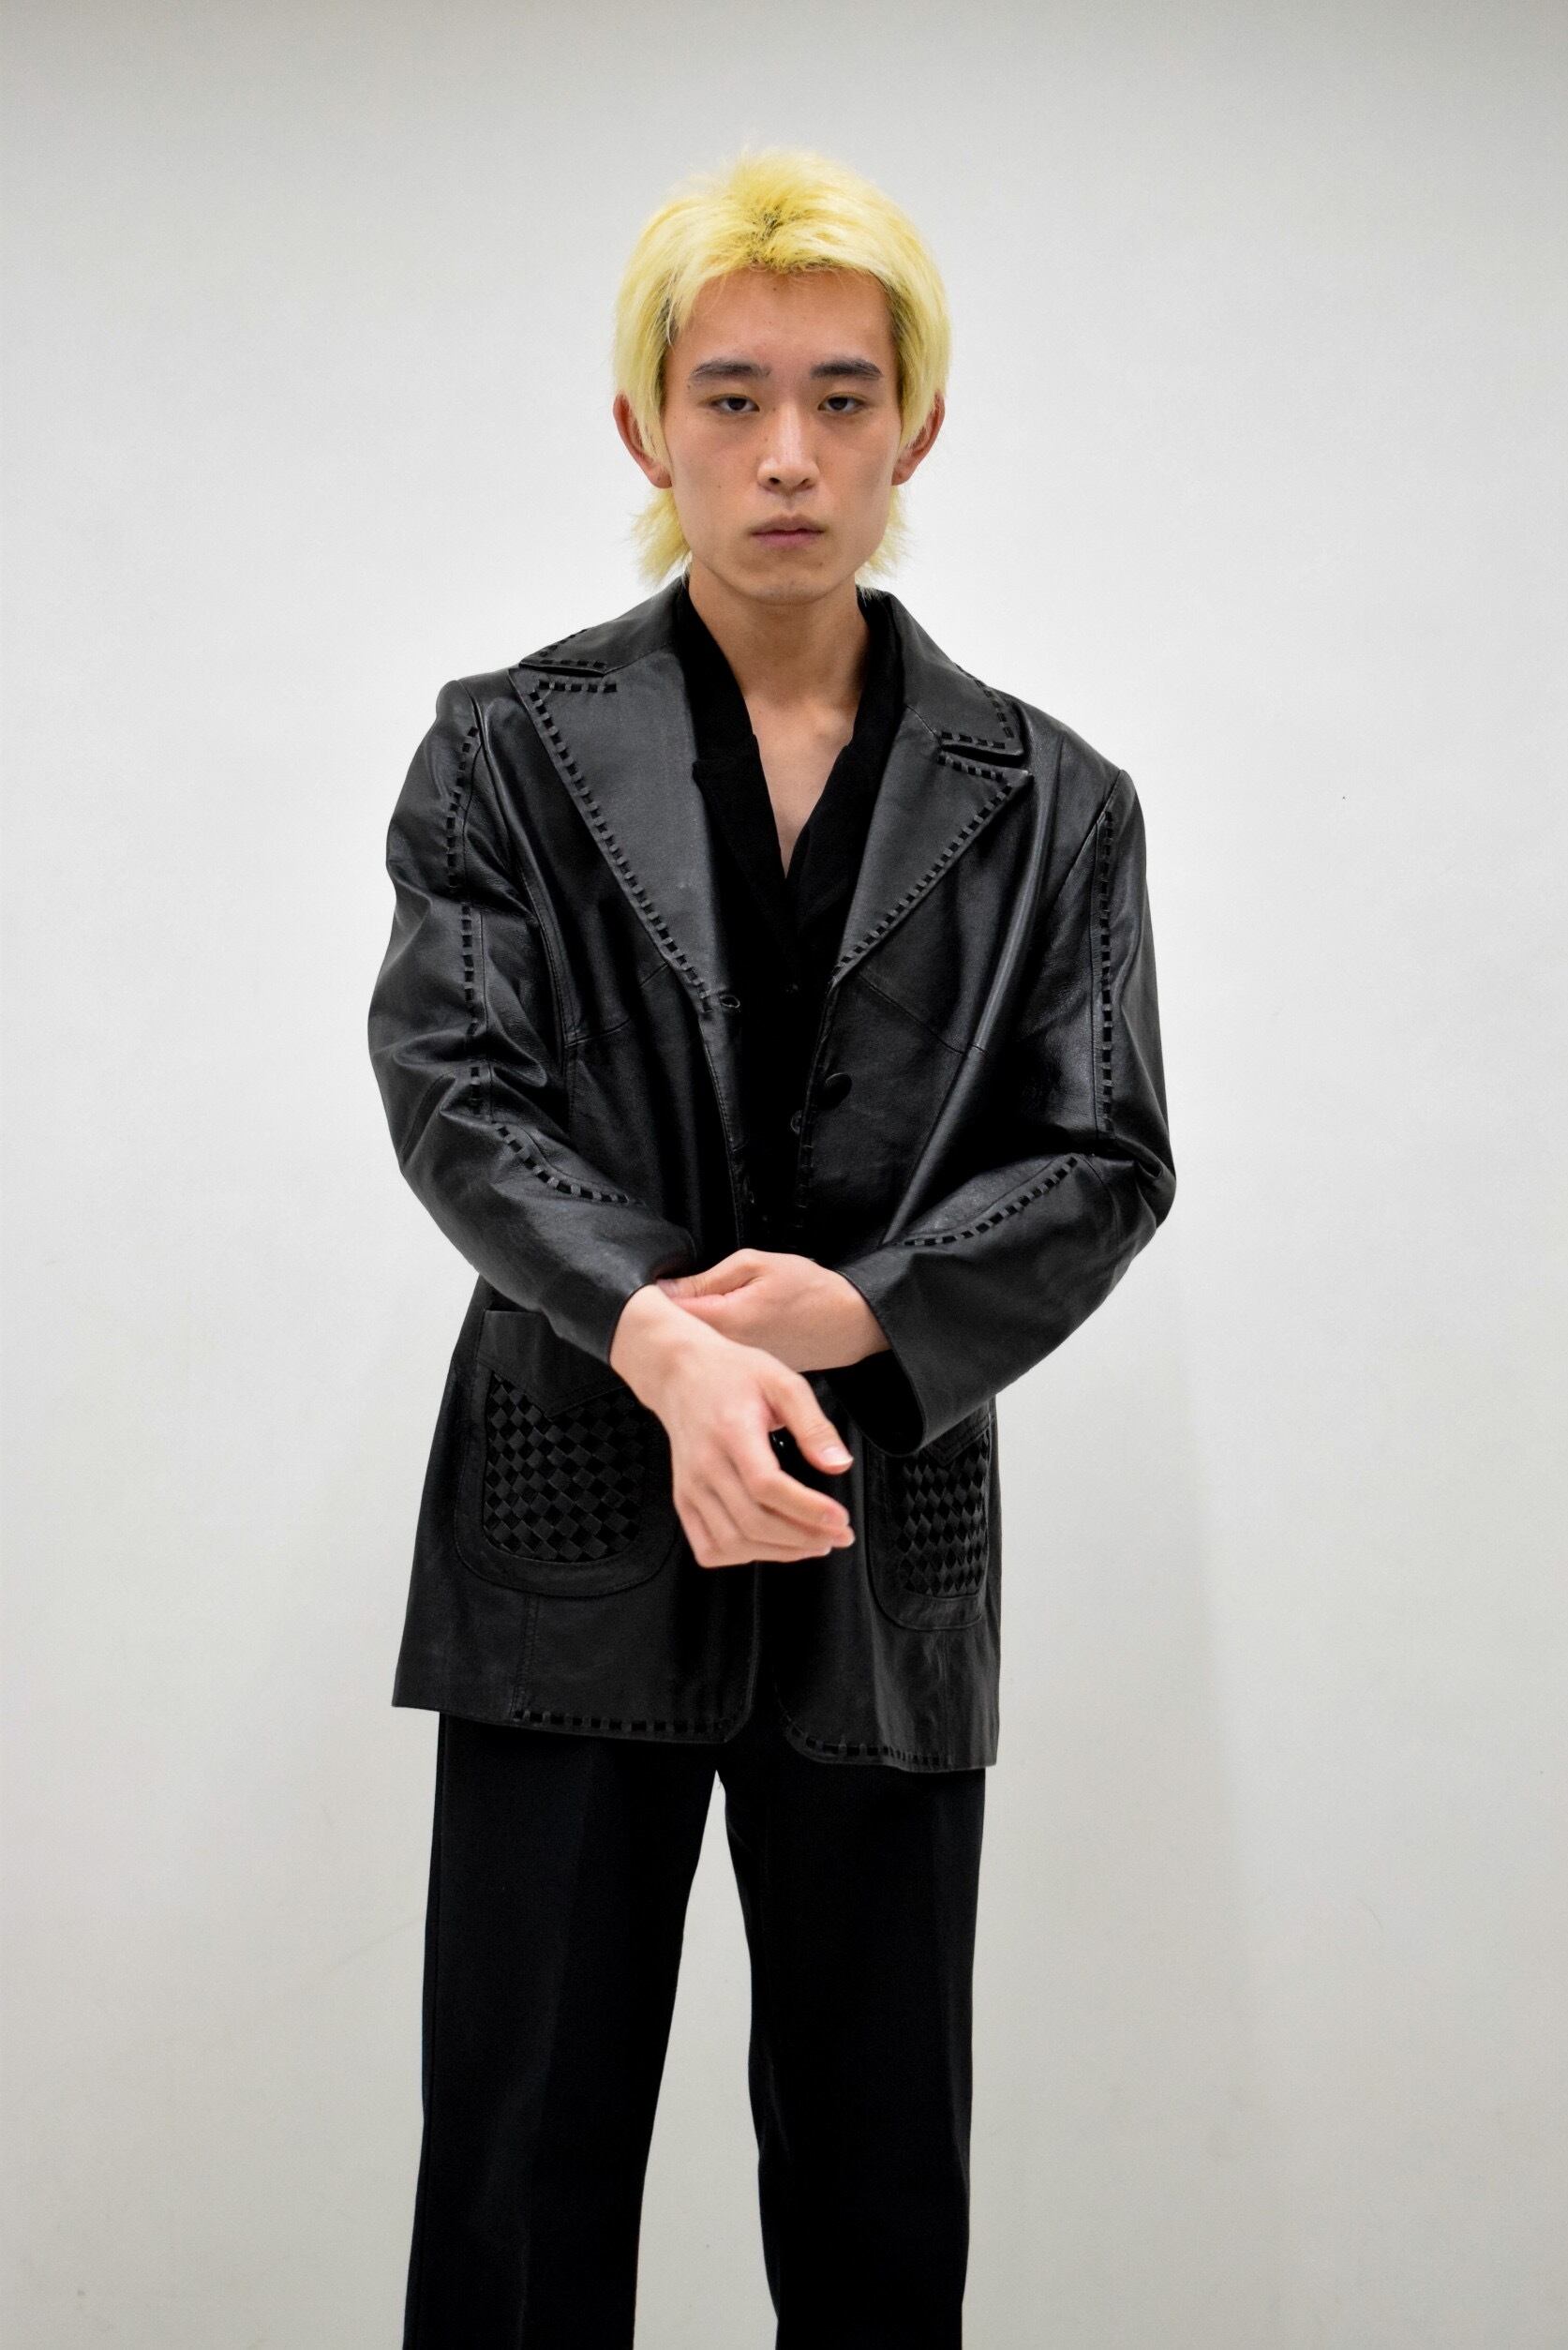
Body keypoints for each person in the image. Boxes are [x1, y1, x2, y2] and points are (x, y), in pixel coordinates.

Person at [367, 143, 1176, 2350]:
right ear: (648, 425)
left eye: (842, 394)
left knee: (882, 2190)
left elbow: (1104, 1154)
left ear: (921, 424)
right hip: (570, 1526)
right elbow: (455, 1089)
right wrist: (662, 1335)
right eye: (731, 396)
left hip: (880, 1543)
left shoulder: (1056, 800)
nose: (789, 454)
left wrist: (856, 1315)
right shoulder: (507, 754)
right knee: (520, 2180)